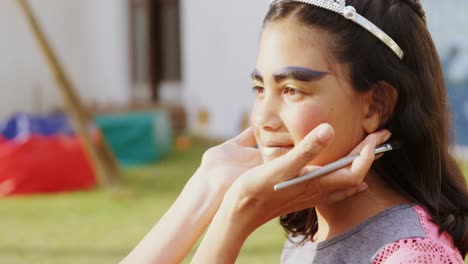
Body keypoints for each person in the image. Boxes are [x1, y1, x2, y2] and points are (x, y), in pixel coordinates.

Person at [122, 0, 468, 263]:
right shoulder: (312, 235)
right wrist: (212, 184)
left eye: (292, 89)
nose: (263, 119)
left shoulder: (411, 256)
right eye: (260, 89)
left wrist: (237, 214)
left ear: (375, 105)